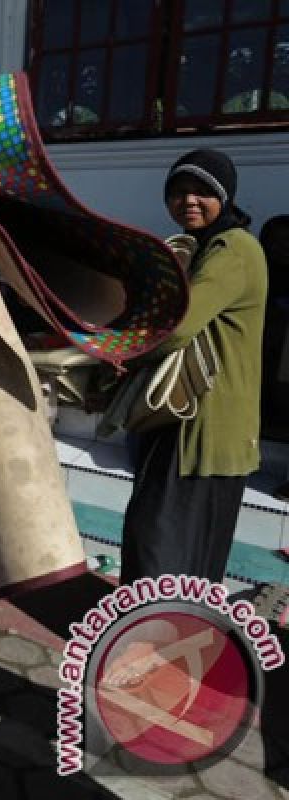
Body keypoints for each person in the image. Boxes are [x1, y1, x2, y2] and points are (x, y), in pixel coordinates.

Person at [120, 149, 267, 584]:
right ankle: (165, 641)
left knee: (162, 548)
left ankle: (152, 641)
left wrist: (115, 350)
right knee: (182, 554)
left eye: (203, 191)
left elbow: (178, 326)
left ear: (225, 197)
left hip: (204, 428)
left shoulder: (233, 249)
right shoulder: (199, 248)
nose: (189, 201)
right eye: (179, 191)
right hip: (184, 421)